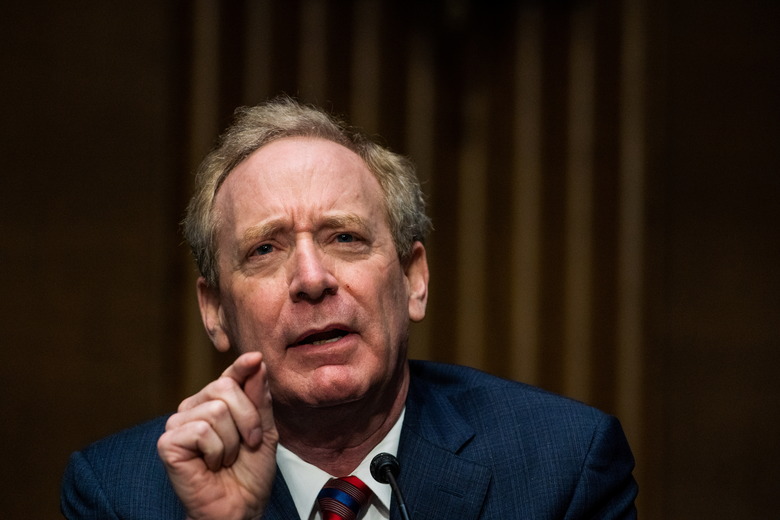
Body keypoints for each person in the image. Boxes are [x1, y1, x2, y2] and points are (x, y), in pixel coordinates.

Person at [61, 97, 637, 519]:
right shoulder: (116, 494)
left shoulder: (564, 466)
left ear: (413, 279)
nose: (312, 280)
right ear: (214, 310)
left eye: (345, 238)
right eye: (265, 250)